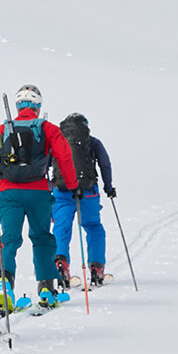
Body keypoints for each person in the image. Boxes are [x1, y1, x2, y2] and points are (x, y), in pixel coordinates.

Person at [0, 85, 77, 311]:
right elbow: (64, 157)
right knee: (42, 237)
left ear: (18, 106)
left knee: (9, 238)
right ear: (37, 106)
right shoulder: (49, 128)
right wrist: (72, 185)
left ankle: (4, 282)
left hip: (7, 192)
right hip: (39, 192)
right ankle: (46, 288)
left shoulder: (1, 130)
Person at [50, 113, 116, 288]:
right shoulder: (93, 142)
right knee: (94, 227)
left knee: (61, 227)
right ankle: (96, 267)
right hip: (88, 191)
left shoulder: (57, 140)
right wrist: (108, 187)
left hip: (61, 191)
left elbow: (47, 164)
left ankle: (60, 263)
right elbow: (105, 164)